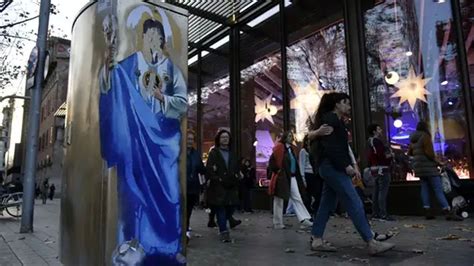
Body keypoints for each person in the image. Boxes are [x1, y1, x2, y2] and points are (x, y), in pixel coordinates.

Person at [98, 13, 187, 264]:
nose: (152, 41)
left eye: (157, 36)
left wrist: (162, 98)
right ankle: (133, 246)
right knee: (133, 192)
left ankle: (167, 245)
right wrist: (107, 69)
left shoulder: (172, 69)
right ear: (142, 38)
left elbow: (182, 103)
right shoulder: (129, 65)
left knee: (169, 192)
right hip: (136, 143)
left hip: (164, 143)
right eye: (147, 36)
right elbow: (110, 85)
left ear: (162, 40)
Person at [310, 92, 394, 255]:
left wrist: (349, 165)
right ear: (337, 105)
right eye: (345, 103)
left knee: (327, 204)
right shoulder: (332, 120)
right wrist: (346, 166)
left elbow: (335, 147)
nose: (348, 106)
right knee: (354, 201)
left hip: (329, 167)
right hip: (333, 167)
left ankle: (317, 238)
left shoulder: (333, 120)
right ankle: (370, 241)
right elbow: (333, 148)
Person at [408, 121, 463, 221]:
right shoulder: (425, 136)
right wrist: (439, 163)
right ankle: (447, 210)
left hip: (419, 168)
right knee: (438, 189)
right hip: (429, 167)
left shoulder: (413, 139)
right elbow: (430, 154)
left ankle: (427, 210)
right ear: (425, 127)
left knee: (424, 188)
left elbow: (410, 153)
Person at [268, 131, 313, 229]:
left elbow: (294, 164)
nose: (290, 137)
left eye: (291, 136)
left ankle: (304, 218)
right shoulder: (279, 148)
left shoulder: (292, 149)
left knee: (297, 196)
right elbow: (272, 161)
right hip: (282, 177)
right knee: (279, 199)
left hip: (291, 176)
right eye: (288, 136)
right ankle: (278, 222)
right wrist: (278, 170)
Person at [205, 130, 241, 242]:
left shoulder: (232, 154)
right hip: (218, 186)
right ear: (218, 139)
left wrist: (236, 176)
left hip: (231, 185)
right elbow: (210, 169)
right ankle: (223, 232)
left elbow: (236, 167)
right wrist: (216, 178)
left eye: (227, 137)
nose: (225, 139)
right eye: (222, 137)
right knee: (221, 208)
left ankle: (223, 223)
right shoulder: (214, 153)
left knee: (231, 208)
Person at [367, 123, 394, 221]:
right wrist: (390, 155)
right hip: (382, 169)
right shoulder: (377, 142)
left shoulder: (369, 142)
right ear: (374, 131)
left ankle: (375, 213)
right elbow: (381, 155)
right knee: (382, 192)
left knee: (376, 191)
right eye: (379, 129)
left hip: (375, 169)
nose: (381, 130)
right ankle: (383, 214)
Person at [186, 129, 206, 242]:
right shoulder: (179, 151)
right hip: (181, 186)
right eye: (188, 139)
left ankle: (186, 230)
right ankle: (182, 230)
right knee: (181, 210)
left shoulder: (195, 154)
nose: (189, 141)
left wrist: (203, 183)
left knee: (188, 210)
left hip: (193, 187)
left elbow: (200, 169)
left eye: (191, 139)